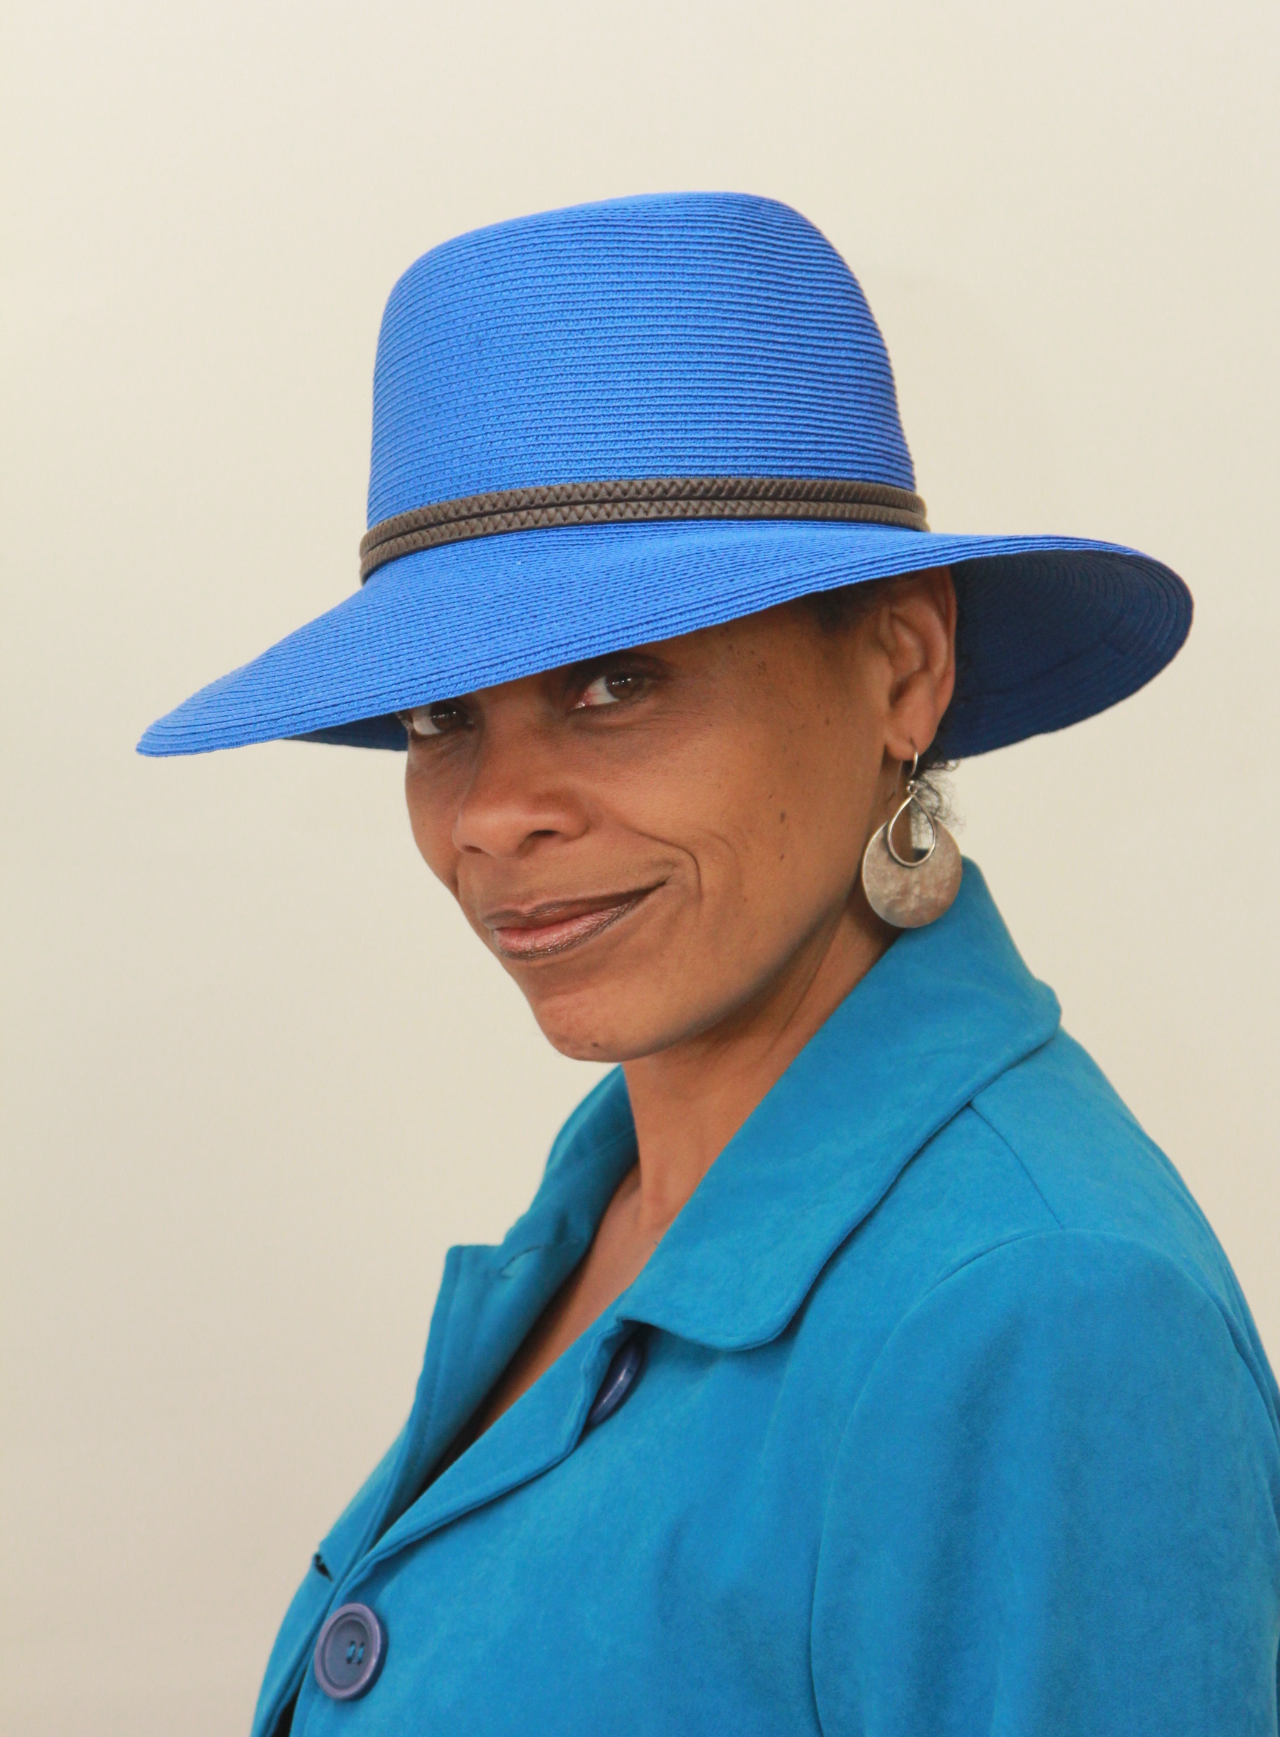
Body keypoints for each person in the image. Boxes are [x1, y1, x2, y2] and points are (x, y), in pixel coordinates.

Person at [141, 194, 1280, 1736]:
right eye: (439, 716)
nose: (491, 814)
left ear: (902, 668)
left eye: (615, 682)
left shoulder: (1040, 1311)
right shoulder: (624, 1184)